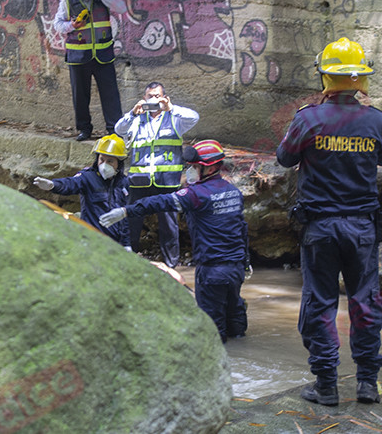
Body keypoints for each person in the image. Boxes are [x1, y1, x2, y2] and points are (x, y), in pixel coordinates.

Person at [276, 37, 382, 406]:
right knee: (365, 301)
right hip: (362, 229)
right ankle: (366, 383)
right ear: (361, 78)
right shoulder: (376, 120)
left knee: (321, 302)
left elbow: (284, 158)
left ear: (325, 77)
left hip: (321, 229)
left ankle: (326, 385)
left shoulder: (308, 119)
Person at [100, 140, 248, 343]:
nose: (190, 171)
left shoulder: (197, 195)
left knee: (212, 332)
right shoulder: (234, 193)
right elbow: (242, 229)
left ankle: (227, 367)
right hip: (236, 269)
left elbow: (161, 201)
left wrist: (127, 210)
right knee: (235, 316)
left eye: (195, 167)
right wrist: (245, 261)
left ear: (211, 168)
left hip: (211, 270)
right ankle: (242, 348)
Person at [114, 82, 198, 269]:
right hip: (139, 182)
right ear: (144, 99)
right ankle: (127, 260)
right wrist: (132, 113)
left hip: (166, 183)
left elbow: (194, 117)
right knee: (132, 221)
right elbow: (118, 129)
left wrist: (171, 108)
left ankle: (171, 265)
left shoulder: (174, 118)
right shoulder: (137, 120)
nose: (153, 99)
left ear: (164, 98)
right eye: (149, 96)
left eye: (157, 96)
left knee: (169, 225)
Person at [53, 0, 126, 141]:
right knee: (80, 95)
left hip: (103, 55)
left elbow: (121, 7)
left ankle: (114, 131)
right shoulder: (66, 1)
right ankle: (84, 129)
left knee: (111, 95)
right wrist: (72, 25)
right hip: (78, 57)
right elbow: (58, 24)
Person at [33, 134, 130, 248]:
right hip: (91, 240)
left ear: (119, 163)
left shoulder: (124, 183)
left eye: (110, 161)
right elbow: (71, 184)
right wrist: (53, 185)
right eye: (101, 160)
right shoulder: (87, 177)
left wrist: (126, 244)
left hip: (115, 243)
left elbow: (126, 218)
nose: (104, 165)